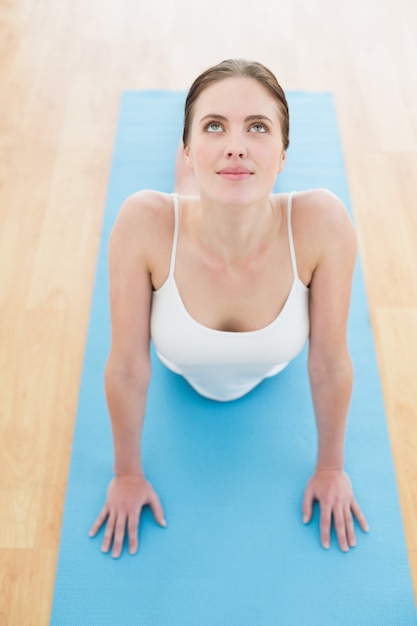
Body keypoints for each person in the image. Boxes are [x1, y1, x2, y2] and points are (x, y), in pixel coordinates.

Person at [89, 58, 369, 558]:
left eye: (257, 127)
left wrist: (331, 467)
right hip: (182, 277)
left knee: (223, 184)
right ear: (189, 148)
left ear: (284, 155)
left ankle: (225, 177)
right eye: (213, 126)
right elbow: (128, 366)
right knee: (187, 194)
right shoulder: (141, 224)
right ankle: (202, 178)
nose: (235, 143)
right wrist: (126, 474)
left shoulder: (323, 223)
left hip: (270, 347)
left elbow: (329, 363)